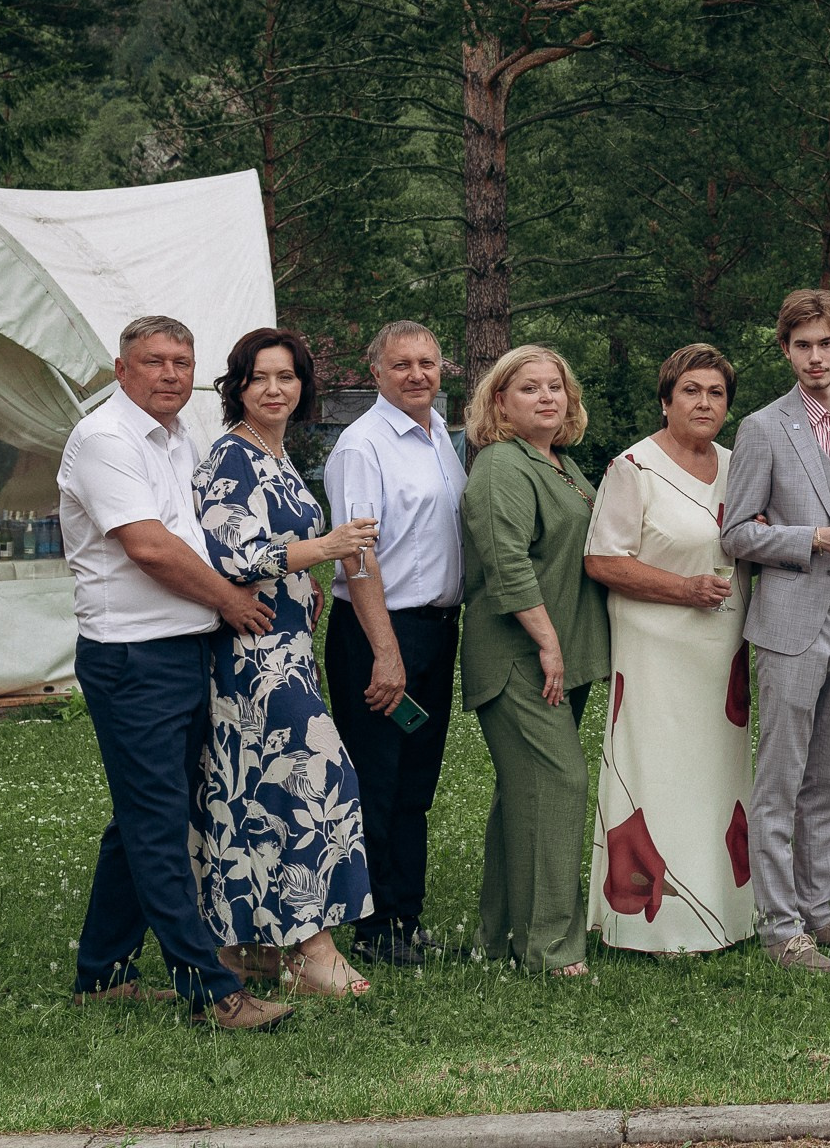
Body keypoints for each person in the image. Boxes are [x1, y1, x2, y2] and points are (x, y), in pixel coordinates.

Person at [56, 315, 290, 1030]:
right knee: (157, 824)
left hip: (181, 649)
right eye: (154, 361)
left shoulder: (175, 437)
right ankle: (210, 991)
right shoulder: (106, 440)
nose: (170, 374)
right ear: (121, 371)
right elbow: (150, 548)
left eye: (182, 362)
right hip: (134, 657)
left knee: (142, 821)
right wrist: (230, 601)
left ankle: (101, 976)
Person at [192, 327, 379, 996]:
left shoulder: (276, 455)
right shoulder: (231, 458)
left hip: (288, 653)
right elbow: (235, 559)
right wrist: (326, 547)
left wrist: (307, 585)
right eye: (260, 377)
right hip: (251, 658)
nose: (275, 388)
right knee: (321, 776)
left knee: (258, 797)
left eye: (288, 377)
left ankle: (250, 948)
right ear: (237, 386)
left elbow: (278, 552)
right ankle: (314, 949)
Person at [721, 289, 830, 974]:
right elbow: (736, 533)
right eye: (802, 345)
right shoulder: (764, 429)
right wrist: (811, 537)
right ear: (786, 350)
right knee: (781, 779)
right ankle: (778, 925)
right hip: (793, 622)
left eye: (826, 343)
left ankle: (821, 911)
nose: (815, 357)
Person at [582, 344, 756, 954]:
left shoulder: (740, 464)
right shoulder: (634, 467)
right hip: (655, 650)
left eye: (716, 392)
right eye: (691, 390)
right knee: (657, 774)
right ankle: (651, 923)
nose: (704, 402)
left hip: (721, 652)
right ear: (666, 399)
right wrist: (683, 589)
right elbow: (602, 559)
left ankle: (725, 914)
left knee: (716, 776)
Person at [460, 344, 611, 975]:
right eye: (528, 388)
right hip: (520, 659)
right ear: (499, 402)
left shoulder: (562, 465)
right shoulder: (501, 466)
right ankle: (550, 948)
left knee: (524, 794)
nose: (546, 397)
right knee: (558, 783)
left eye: (555, 386)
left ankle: (498, 937)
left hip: (560, 659)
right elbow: (507, 561)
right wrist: (548, 642)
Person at [323, 321, 468, 967]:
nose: (418, 375)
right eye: (402, 364)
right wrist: (387, 653)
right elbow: (359, 559)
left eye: (428, 364)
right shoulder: (363, 446)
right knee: (376, 781)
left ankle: (405, 917)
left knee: (416, 783)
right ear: (375, 372)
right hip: (380, 630)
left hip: (435, 629)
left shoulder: (439, 435)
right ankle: (372, 927)